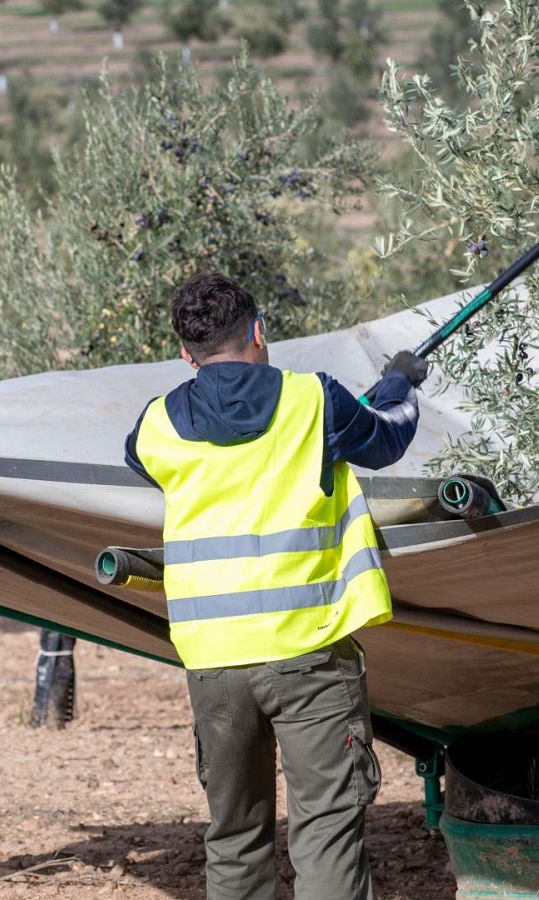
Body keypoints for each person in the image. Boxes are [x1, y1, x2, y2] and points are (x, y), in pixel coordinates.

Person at [123, 272, 426, 899]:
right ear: (260, 331)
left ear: (186, 353)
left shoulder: (157, 425)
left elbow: (145, 459)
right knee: (325, 832)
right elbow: (388, 434)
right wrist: (401, 383)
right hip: (309, 654)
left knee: (234, 837)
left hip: (213, 661)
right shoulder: (314, 400)